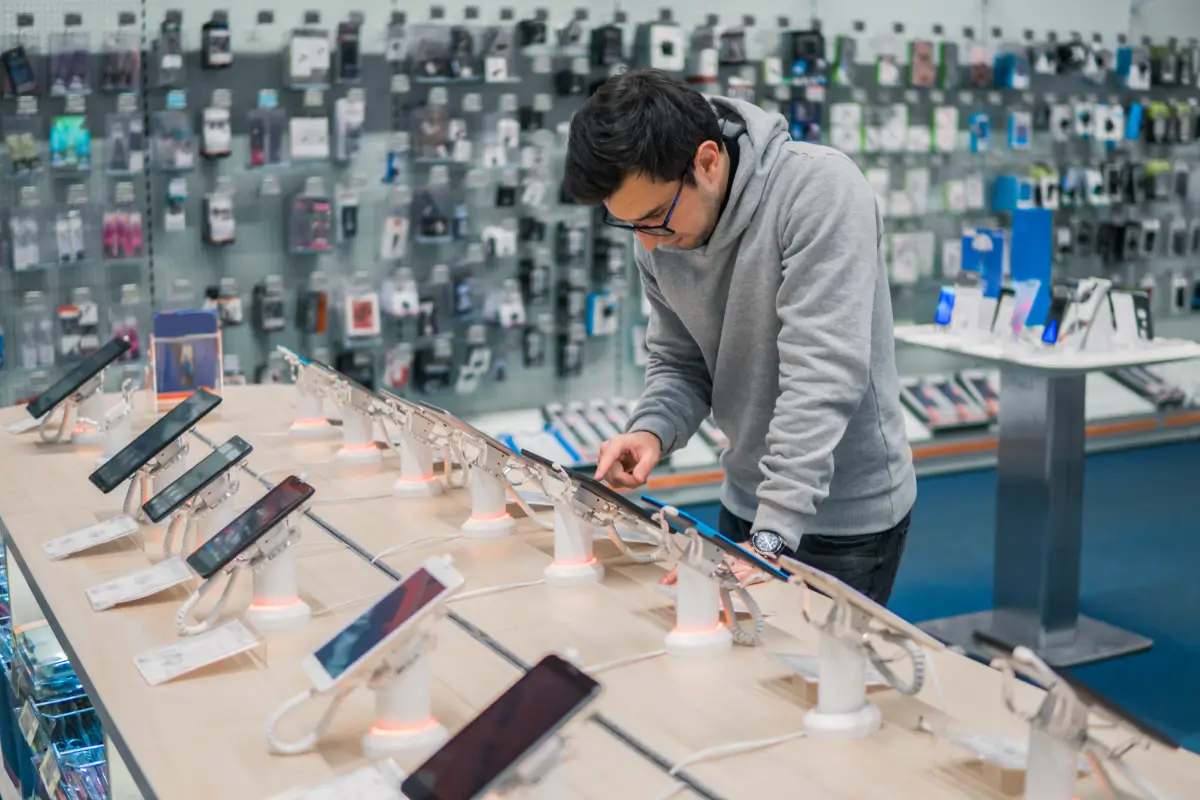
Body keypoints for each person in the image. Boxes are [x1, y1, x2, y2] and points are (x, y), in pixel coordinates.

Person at [563, 70, 916, 605]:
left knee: (826, 683)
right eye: (628, 224)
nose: (647, 244)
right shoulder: (659, 234)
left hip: (843, 517)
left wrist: (771, 537)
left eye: (654, 217)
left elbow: (821, 377)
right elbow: (681, 363)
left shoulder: (819, 190)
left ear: (706, 162)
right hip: (750, 501)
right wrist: (652, 431)